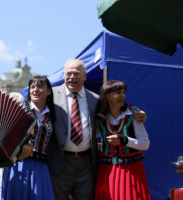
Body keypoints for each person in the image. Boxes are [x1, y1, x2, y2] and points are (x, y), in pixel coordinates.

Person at [47, 59, 147, 200]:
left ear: (85, 76)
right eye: (68, 73)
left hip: (87, 163)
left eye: (76, 74)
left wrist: (139, 114)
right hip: (60, 162)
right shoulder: (50, 96)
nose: (71, 77)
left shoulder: (96, 100)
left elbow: (117, 108)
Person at [1, 76, 56, 200]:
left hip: (41, 168)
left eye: (40, 87)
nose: (35, 90)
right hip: (19, 164)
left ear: (48, 91)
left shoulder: (51, 114)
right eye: (33, 87)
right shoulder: (20, 109)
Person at [94, 80, 151, 200]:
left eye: (124, 92)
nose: (123, 96)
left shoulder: (133, 114)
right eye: (118, 93)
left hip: (131, 170)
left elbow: (145, 144)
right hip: (108, 170)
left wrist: (125, 140)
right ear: (107, 96)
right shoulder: (101, 117)